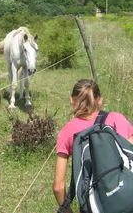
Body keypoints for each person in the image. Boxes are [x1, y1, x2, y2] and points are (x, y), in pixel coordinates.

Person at [53, 79, 133, 213]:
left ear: (72, 100)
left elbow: (58, 187)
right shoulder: (117, 118)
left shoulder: (67, 131)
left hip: (94, 205)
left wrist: (68, 211)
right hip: (127, 197)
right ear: (100, 100)